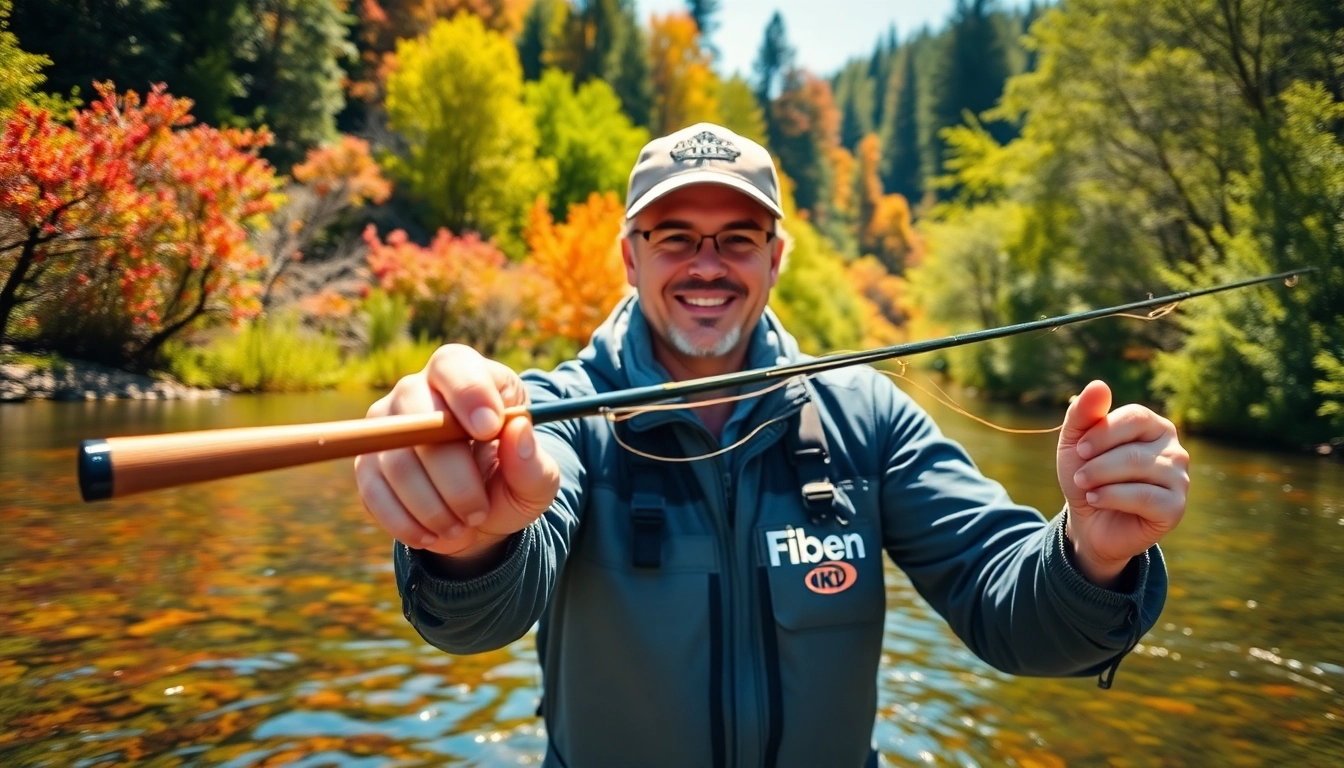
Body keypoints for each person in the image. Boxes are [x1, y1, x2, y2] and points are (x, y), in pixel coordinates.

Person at [354, 123, 1190, 767]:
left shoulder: (869, 418)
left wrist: (1092, 556)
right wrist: (469, 542)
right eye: (675, 234)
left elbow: (1020, 619)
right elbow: (477, 620)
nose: (706, 264)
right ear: (629, 258)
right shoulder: (557, 417)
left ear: (777, 256)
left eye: (738, 237)